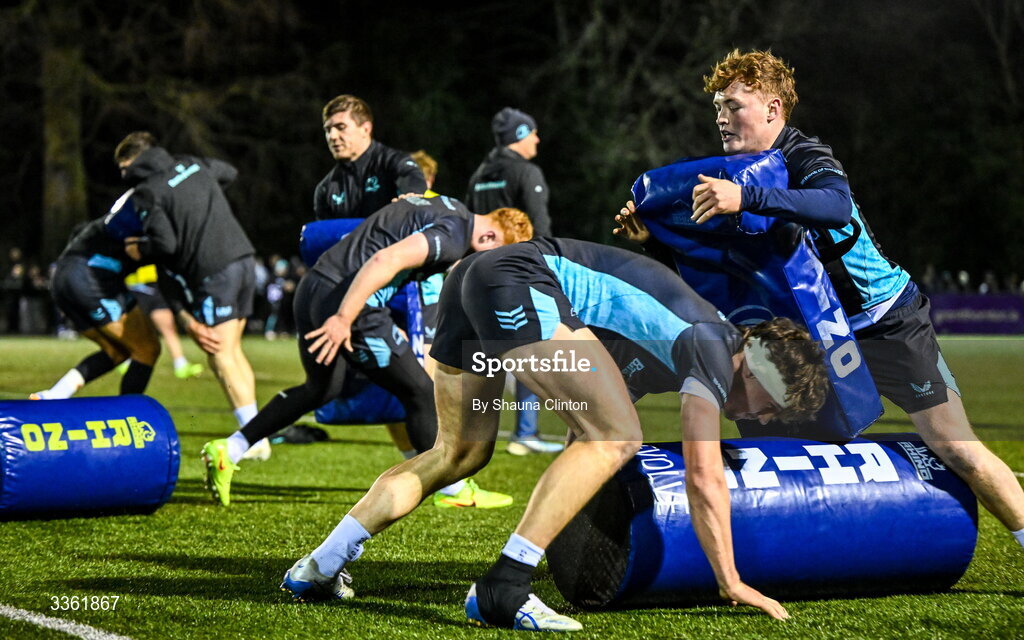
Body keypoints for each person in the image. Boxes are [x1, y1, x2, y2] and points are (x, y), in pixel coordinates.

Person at [279, 237, 828, 630]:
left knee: (459, 453)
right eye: (769, 407)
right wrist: (730, 581)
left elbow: (583, 429)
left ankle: (319, 566)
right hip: (517, 282)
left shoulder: (674, 349)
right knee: (617, 436)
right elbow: (703, 473)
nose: (759, 420)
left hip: (474, 284)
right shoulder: (714, 347)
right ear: (755, 364)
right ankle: (505, 588)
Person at [614, 48, 1024, 550]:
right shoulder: (733, 172)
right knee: (770, 449)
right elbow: (717, 268)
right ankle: (791, 554)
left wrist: (747, 199)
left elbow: (834, 206)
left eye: (733, 105)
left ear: (772, 110)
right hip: (811, 338)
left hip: (885, 322)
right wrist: (651, 241)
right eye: (717, 106)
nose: (721, 116)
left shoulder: (805, 155)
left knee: (957, 447)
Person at [199, 196, 534, 506]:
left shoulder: (450, 206)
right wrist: (345, 317)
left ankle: (231, 448)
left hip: (314, 289)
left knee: (321, 389)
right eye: (494, 259)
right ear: (489, 238)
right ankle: (451, 489)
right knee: (418, 390)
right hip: (350, 304)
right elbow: (385, 258)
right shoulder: (453, 235)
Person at [115, 131, 266, 457]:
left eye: (124, 168)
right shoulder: (191, 164)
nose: (123, 176)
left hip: (214, 271)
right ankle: (257, 435)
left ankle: (250, 438)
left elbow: (165, 245)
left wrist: (140, 248)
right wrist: (198, 201)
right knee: (233, 349)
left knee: (218, 353)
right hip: (243, 258)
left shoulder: (146, 191)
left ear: (133, 163)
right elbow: (229, 172)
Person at [467, 107, 558, 456]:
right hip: (517, 272)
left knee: (484, 354)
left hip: (479, 272)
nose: (537, 138)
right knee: (528, 347)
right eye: (532, 132)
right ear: (520, 135)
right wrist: (548, 269)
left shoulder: (479, 174)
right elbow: (539, 227)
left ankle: (475, 431)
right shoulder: (526, 171)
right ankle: (525, 433)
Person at [31, 215, 160, 399]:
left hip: (61, 281)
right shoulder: (144, 223)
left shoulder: (108, 225)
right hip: (90, 283)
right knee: (147, 348)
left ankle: (53, 395)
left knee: (115, 350)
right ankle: (127, 415)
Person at [313, 94, 427, 220]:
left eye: (341, 127)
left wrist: (411, 197)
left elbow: (412, 178)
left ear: (366, 129)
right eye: (328, 130)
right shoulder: (325, 188)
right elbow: (326, 236)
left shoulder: (393, 162)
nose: (332, 136)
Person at [123, 264, 204, 379]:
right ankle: (127, 359)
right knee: (136, 326)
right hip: (133, 283)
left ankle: (180, 364)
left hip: (154, 281)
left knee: (167, 325)